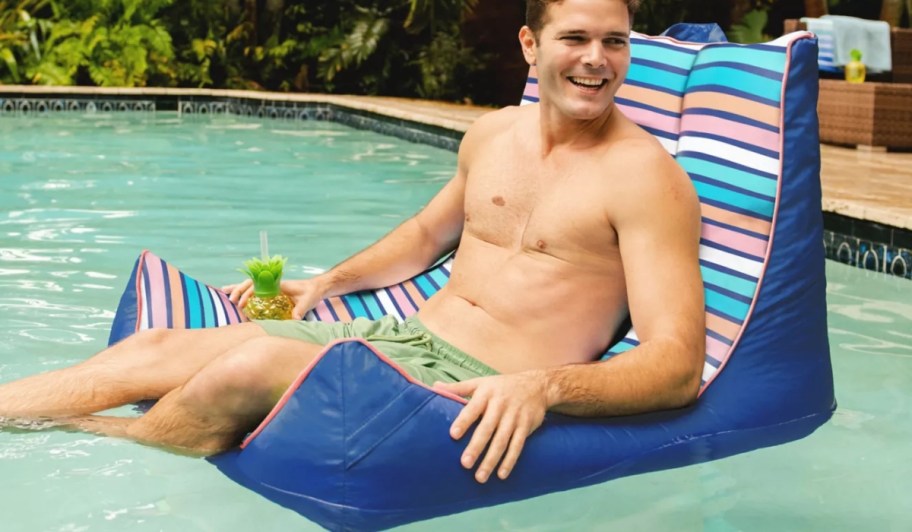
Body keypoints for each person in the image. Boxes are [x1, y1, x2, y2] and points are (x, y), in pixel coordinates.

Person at [0, 0, 704, 485]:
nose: (597, 60)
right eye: (575, 38)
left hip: (469, 385)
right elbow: (427, 236)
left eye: (615, 41)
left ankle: (81, 445)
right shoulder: (494, 135)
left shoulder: (647, 179)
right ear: (530, 45)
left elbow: (676, 365)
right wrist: (327, 283)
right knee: (157, 347)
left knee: (241, 369)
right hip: (397, 338)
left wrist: (544, 388)